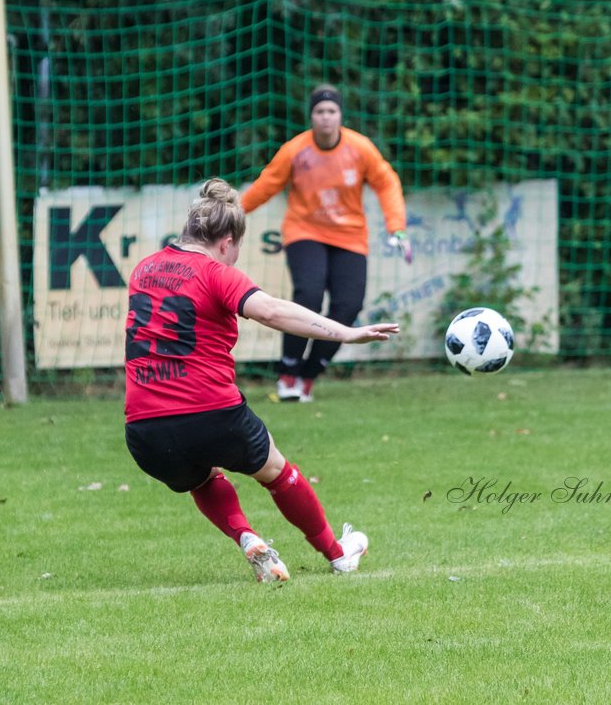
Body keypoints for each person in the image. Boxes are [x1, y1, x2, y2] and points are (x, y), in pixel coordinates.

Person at [124, 178, 400, 583]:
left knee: (201, 478)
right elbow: (270, 311)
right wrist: (345, 332)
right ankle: (338, 553)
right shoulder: (217, 273)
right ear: (227, 241)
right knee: (276, 471)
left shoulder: (143, 269)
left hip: (142, 429)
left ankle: (247, 537)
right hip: (211, 413)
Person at [241, 84, 412, 404]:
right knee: (308, 295)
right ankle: (287, 373)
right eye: (319, 111)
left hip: (350, 236)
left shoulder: (360, 149)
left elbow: (387, 183)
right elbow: (266, 185)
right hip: (304, 231)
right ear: (311, 117)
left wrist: (397, 228)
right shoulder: (295, 150)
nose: (325, 117)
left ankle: (308, 376)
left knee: (348, 306)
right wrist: (234, 212)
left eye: (331, 111)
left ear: (340, 116)